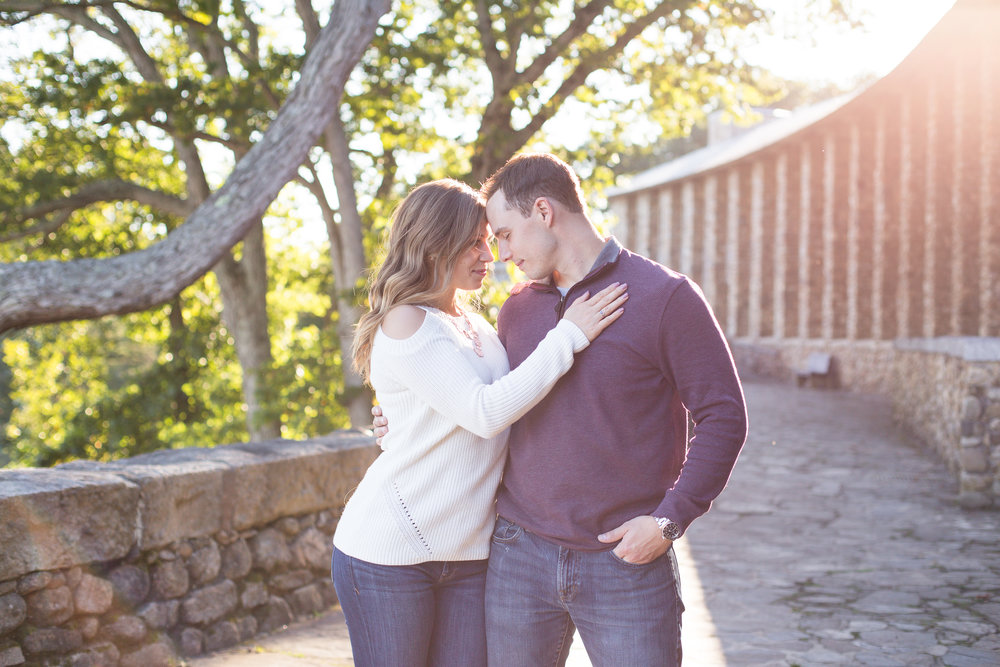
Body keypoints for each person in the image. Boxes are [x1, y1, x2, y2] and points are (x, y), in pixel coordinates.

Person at [375, 153, 747, 666]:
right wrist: (400, 418)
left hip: (625, 562)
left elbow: (724, 417)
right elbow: (487, 400)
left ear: (544, 212)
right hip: (517, 556)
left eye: (503, 234)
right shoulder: (519, 308)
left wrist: (668, 522)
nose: (500, 253)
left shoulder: (665, 297)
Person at [331, 178, 628, 667]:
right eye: (474, 242)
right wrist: (568, 334)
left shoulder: (473, 324)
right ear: (433, 243)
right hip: (388, 554)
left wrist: (397, 424)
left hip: (470, 553)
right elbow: (485, 412)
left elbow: (494, 403)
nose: (489, 254)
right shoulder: (406, 319)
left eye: (489, 240)